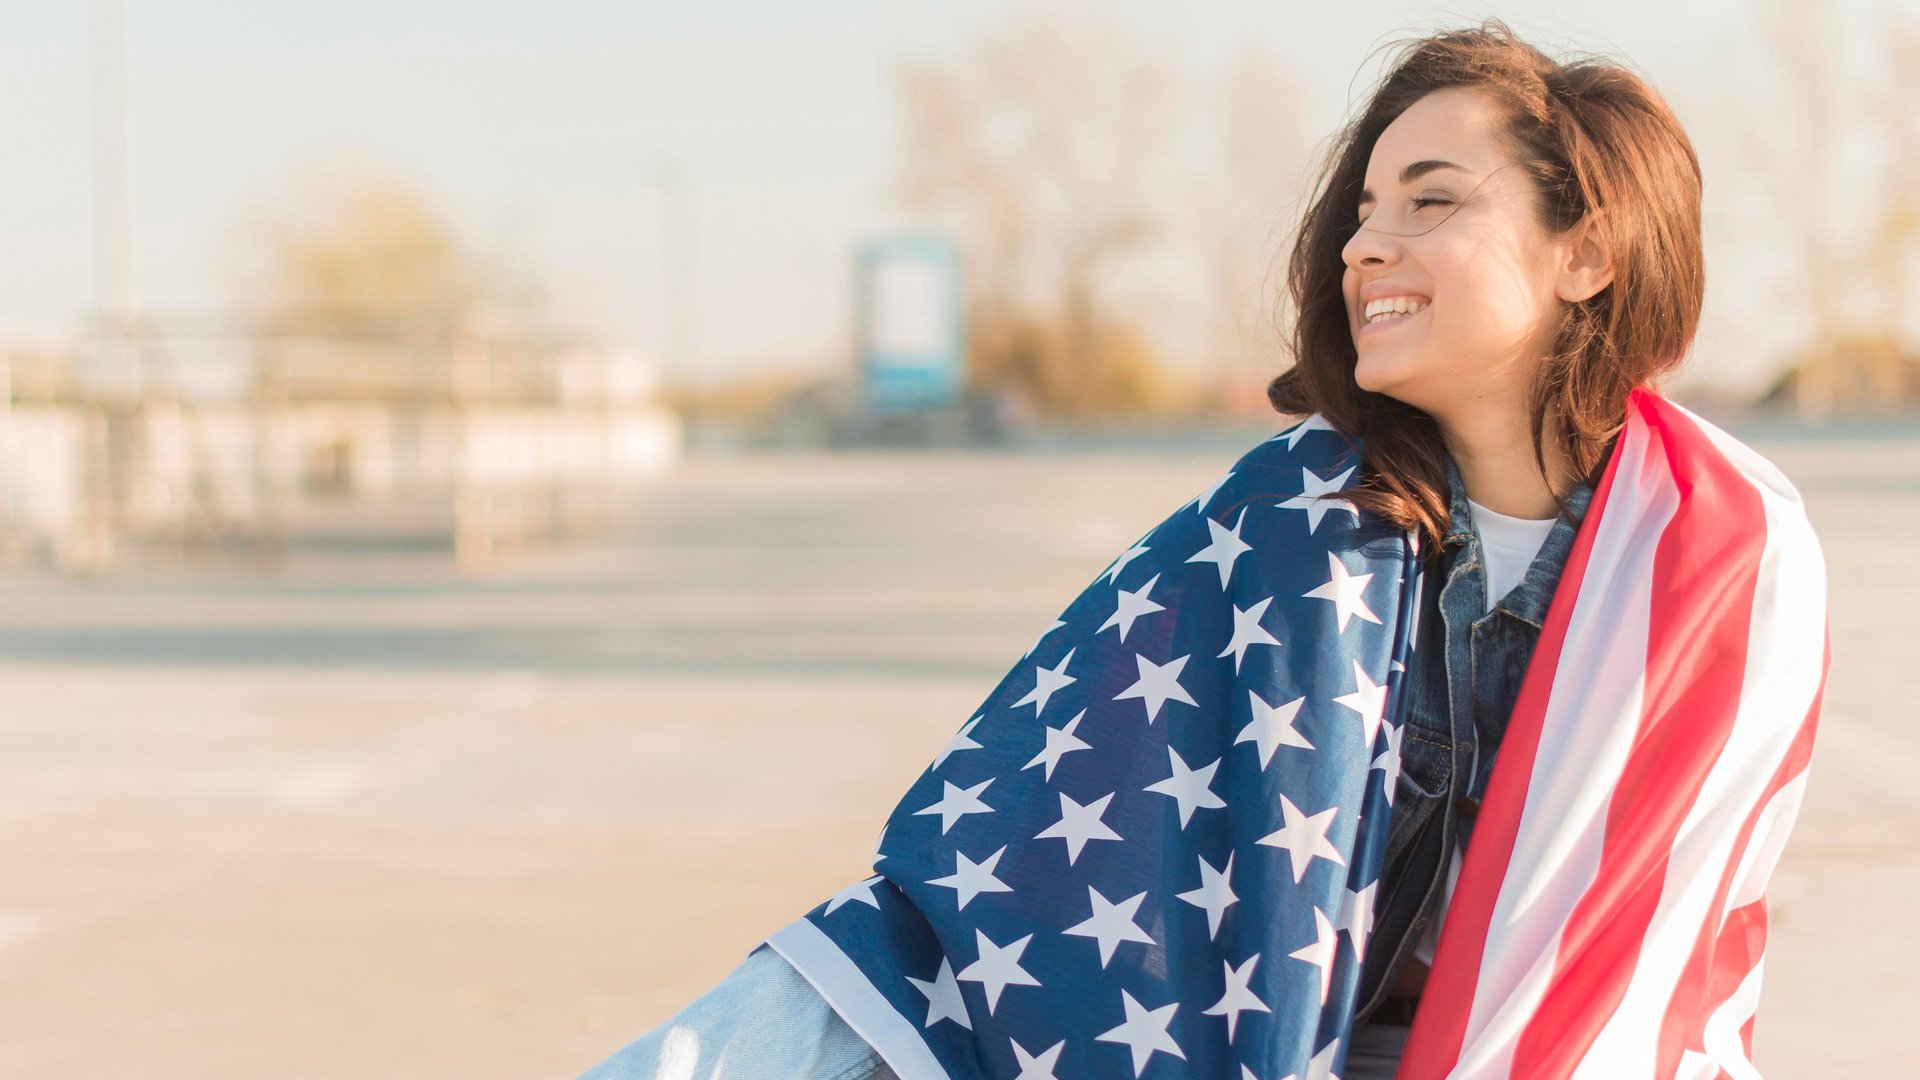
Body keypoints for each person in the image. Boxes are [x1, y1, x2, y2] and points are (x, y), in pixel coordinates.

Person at [580, 19, 1823, 1080]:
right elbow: (1010, 868)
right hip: (1261, 1046)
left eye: (1431, 201)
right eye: (1364, 208)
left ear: (1589, 253)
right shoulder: (1279, 522)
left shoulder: (1721, 556)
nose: (1362, 245)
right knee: (864, 983)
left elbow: (1660, 958)